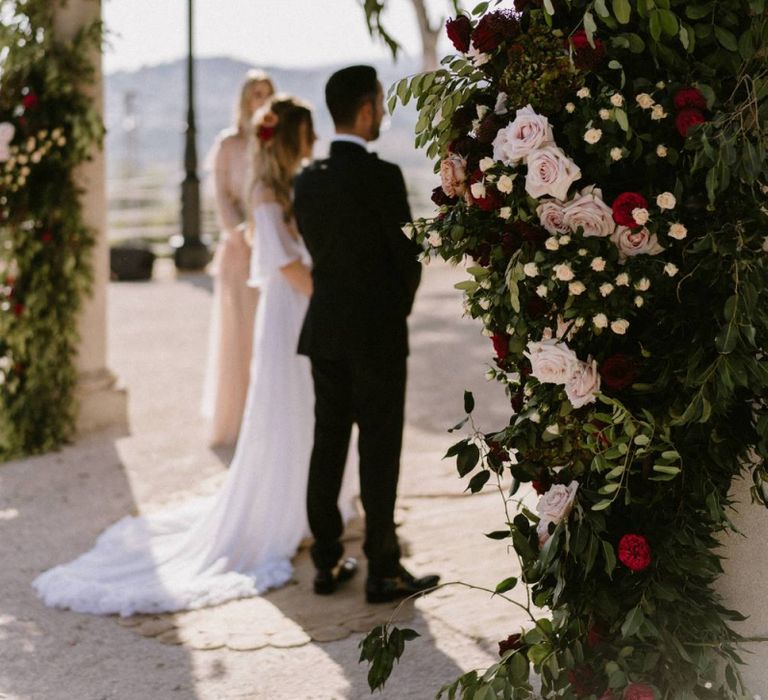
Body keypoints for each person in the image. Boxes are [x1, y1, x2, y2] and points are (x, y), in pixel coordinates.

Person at [33, 96, 356, 616]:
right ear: (294, 138)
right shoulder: (266, 194)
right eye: (309, 132)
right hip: (290, 312)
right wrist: (341, 293)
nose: (315, 141)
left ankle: (312, 505)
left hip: (300, 308)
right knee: (292, 408)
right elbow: (285, 266)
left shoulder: (293, 185)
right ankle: (289, 514)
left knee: (313, 407)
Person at [294, 65, 440, 603]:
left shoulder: (306, 180)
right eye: (380, 103)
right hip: (376, 333)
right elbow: (408, 259)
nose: (382, 113)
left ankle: (327, 563)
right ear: (364, 109)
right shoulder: (382, 177)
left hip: (325, 330)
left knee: (327, 443)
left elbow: (318, 253)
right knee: (379, 450)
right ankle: (383, 569)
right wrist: (396, 308)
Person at [201, 70, 274, 447]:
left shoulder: (275, 141)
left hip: (273, 248)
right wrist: (244, 234)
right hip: (239, 253)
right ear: (245, 99)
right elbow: (221, 201)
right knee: (240, 335)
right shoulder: (228, 144)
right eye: (255, 93)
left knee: (270, 333)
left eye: (267, 93)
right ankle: (238, 419)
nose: (261, 100)